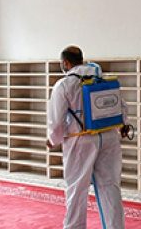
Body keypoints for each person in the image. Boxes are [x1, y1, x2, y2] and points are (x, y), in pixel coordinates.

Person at [46, 46, 128, 228]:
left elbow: (56, 121)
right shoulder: (101, 78)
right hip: (109, 136)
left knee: (77, 189)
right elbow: (120, 106)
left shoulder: (64, 85)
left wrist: (52, 140)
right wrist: (123, 125)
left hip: (80, 140)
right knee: (110, 186)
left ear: (65, 63)